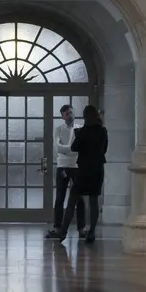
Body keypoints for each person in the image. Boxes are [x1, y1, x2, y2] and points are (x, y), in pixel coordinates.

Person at [51, 105, 107, 245]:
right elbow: (104, 149)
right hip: (97, 170)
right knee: (93, 201)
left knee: (72, 200)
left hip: (82, 169)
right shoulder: (102, 131)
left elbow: (74, 147)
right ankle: (91, 232)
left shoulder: (82, 131)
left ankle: (63, 231)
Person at [46, 105, 86, 239]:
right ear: (63, 116)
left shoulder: (80, 129)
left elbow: (79, 149)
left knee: (79, 198)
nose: (70, 116)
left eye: (71, 113)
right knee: (60, 197)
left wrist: (67, 149)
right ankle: (57, 227)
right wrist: (71, 149)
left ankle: (82, 228)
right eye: (67, 114)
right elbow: (58, 148)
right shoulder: (58, 129)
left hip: (76, 166)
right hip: (62, 166)